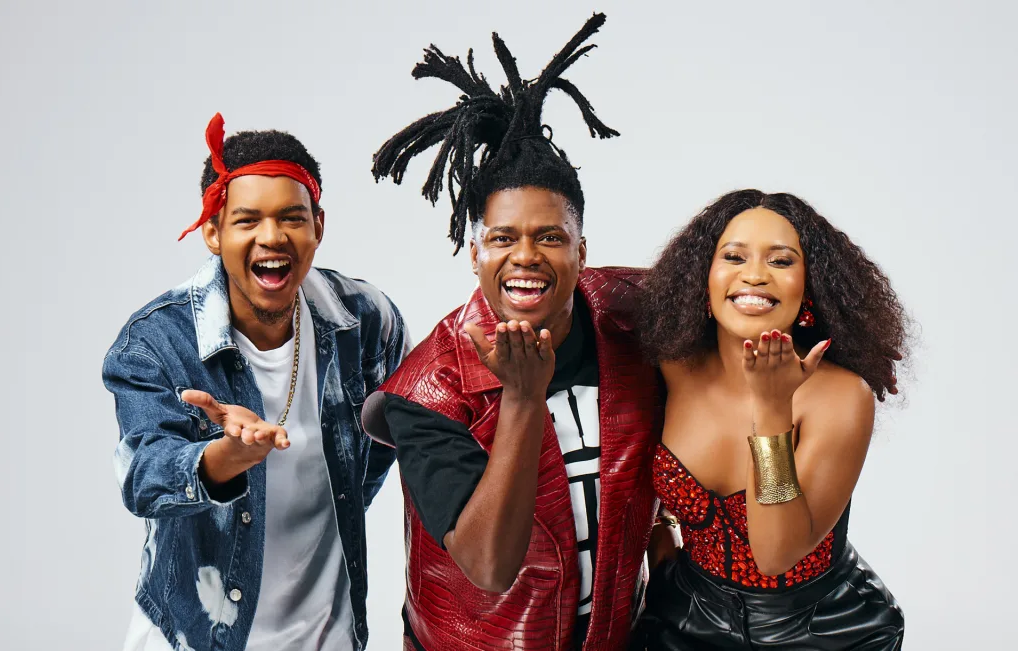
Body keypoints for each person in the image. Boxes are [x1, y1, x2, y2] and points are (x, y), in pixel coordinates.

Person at [361, 13, 664, 651]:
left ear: (582, 252)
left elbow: (732, 287)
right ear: (474, 253)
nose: (525, 256)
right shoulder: (429, 389)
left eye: (550, 237)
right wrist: (523, 398)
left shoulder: (629, 317)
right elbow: (488, 565)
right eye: (502, 238)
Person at [103, 114, 408, 651]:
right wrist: (222, 459)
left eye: (292, 218)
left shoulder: (365, 320)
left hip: (330, 637)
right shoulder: (156, 340)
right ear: (213, 232)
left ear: (318, 226)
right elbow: (142, 475)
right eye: (247, 221)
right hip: (194, 638)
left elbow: (393, 436)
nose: (272, 237)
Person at [633, 189, 907, 650]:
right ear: (702, 277)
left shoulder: (842, 395)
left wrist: (772, 409)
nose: (755, 275)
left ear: (810, 286)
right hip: (683, 618)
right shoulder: (671, 367)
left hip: (822, 630)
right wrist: (660, 546)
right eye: (733, 257)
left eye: (781, 261)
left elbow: (776, 554)